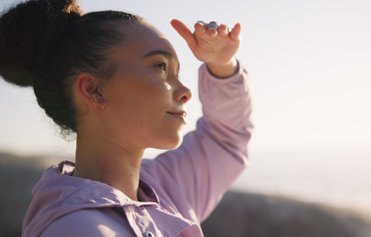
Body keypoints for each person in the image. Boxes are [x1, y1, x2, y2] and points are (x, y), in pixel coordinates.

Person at [0, 0, 252, 236]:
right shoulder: (76, 229)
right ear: (93, 89)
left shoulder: (165, 189)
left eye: (177, 72)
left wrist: (222, 65)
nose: (185, 92)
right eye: (160, 67)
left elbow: (225, 139)